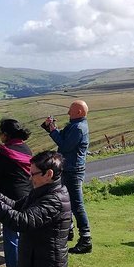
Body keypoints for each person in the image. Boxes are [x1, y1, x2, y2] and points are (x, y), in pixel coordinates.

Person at [0, 119, 33, 267]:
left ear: (5, 134)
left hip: (10, 199)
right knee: (25, 235)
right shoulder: (26, 149)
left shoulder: (4, 151)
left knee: (11, 235)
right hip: (28, 196)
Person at [42, 100, 92, 254]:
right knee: (67, 201)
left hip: (73, 170)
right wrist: (52, 128)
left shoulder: (78, 128)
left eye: (71, 110)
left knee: (76, 204)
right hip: (69, 169)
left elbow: (64, 146)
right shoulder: (74, 125)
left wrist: (53, 131)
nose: (68, 113)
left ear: (79, 112)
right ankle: (68, 230)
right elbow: (62, 138)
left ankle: (86, 239)